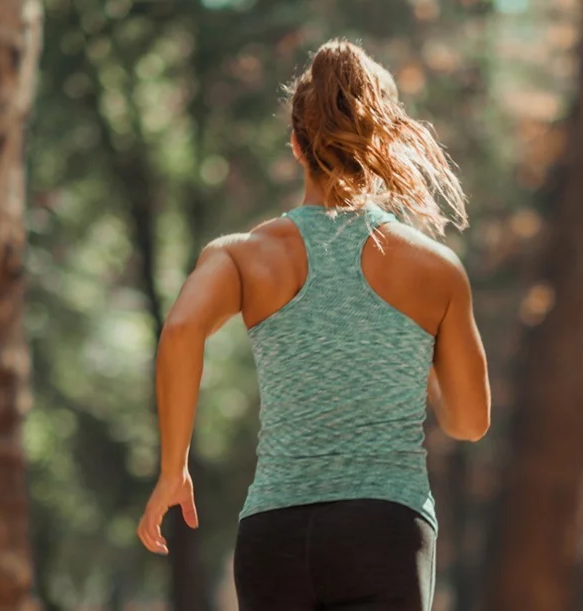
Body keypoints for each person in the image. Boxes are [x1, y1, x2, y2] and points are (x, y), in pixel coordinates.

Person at [136, 38, 491, 611]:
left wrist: (173, 468)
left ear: (297, 146)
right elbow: (470, 422)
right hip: (386, 529)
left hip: (275, 531)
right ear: (382, 144)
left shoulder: (240, 255)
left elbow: (179, 332)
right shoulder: (435, 270)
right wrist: (412, 353)